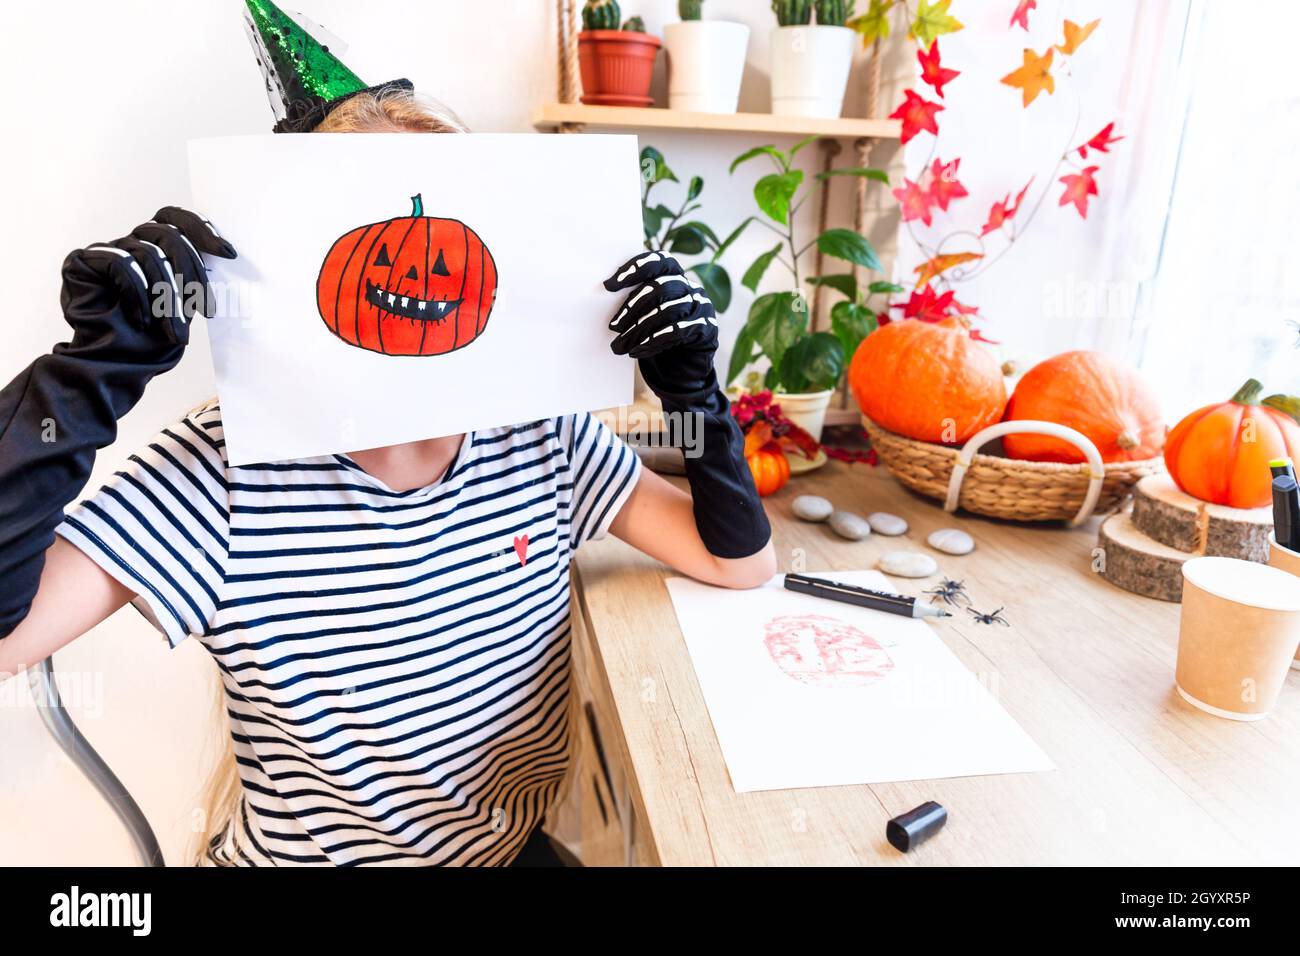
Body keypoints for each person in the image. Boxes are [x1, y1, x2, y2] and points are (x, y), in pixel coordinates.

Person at [0, 5, 773, 867]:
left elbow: (736, 561)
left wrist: (695, 395)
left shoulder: (537, 437)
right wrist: (84, 380)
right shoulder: (223, 473)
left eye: (446, 236)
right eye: (378, 240)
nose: (418, 267)